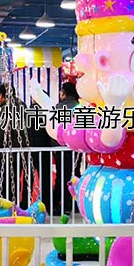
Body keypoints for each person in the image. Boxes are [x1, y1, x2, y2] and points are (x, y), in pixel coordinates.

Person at [51, 82, 79, 215]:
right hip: (77, 148)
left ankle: (62, 203)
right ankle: (76, 202)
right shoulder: (80, 107)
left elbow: (55, 129)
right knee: (76, 174)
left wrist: (54, 147)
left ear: (64, 93)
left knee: (62, 175)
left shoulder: (59, 108)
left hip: (62, 147)